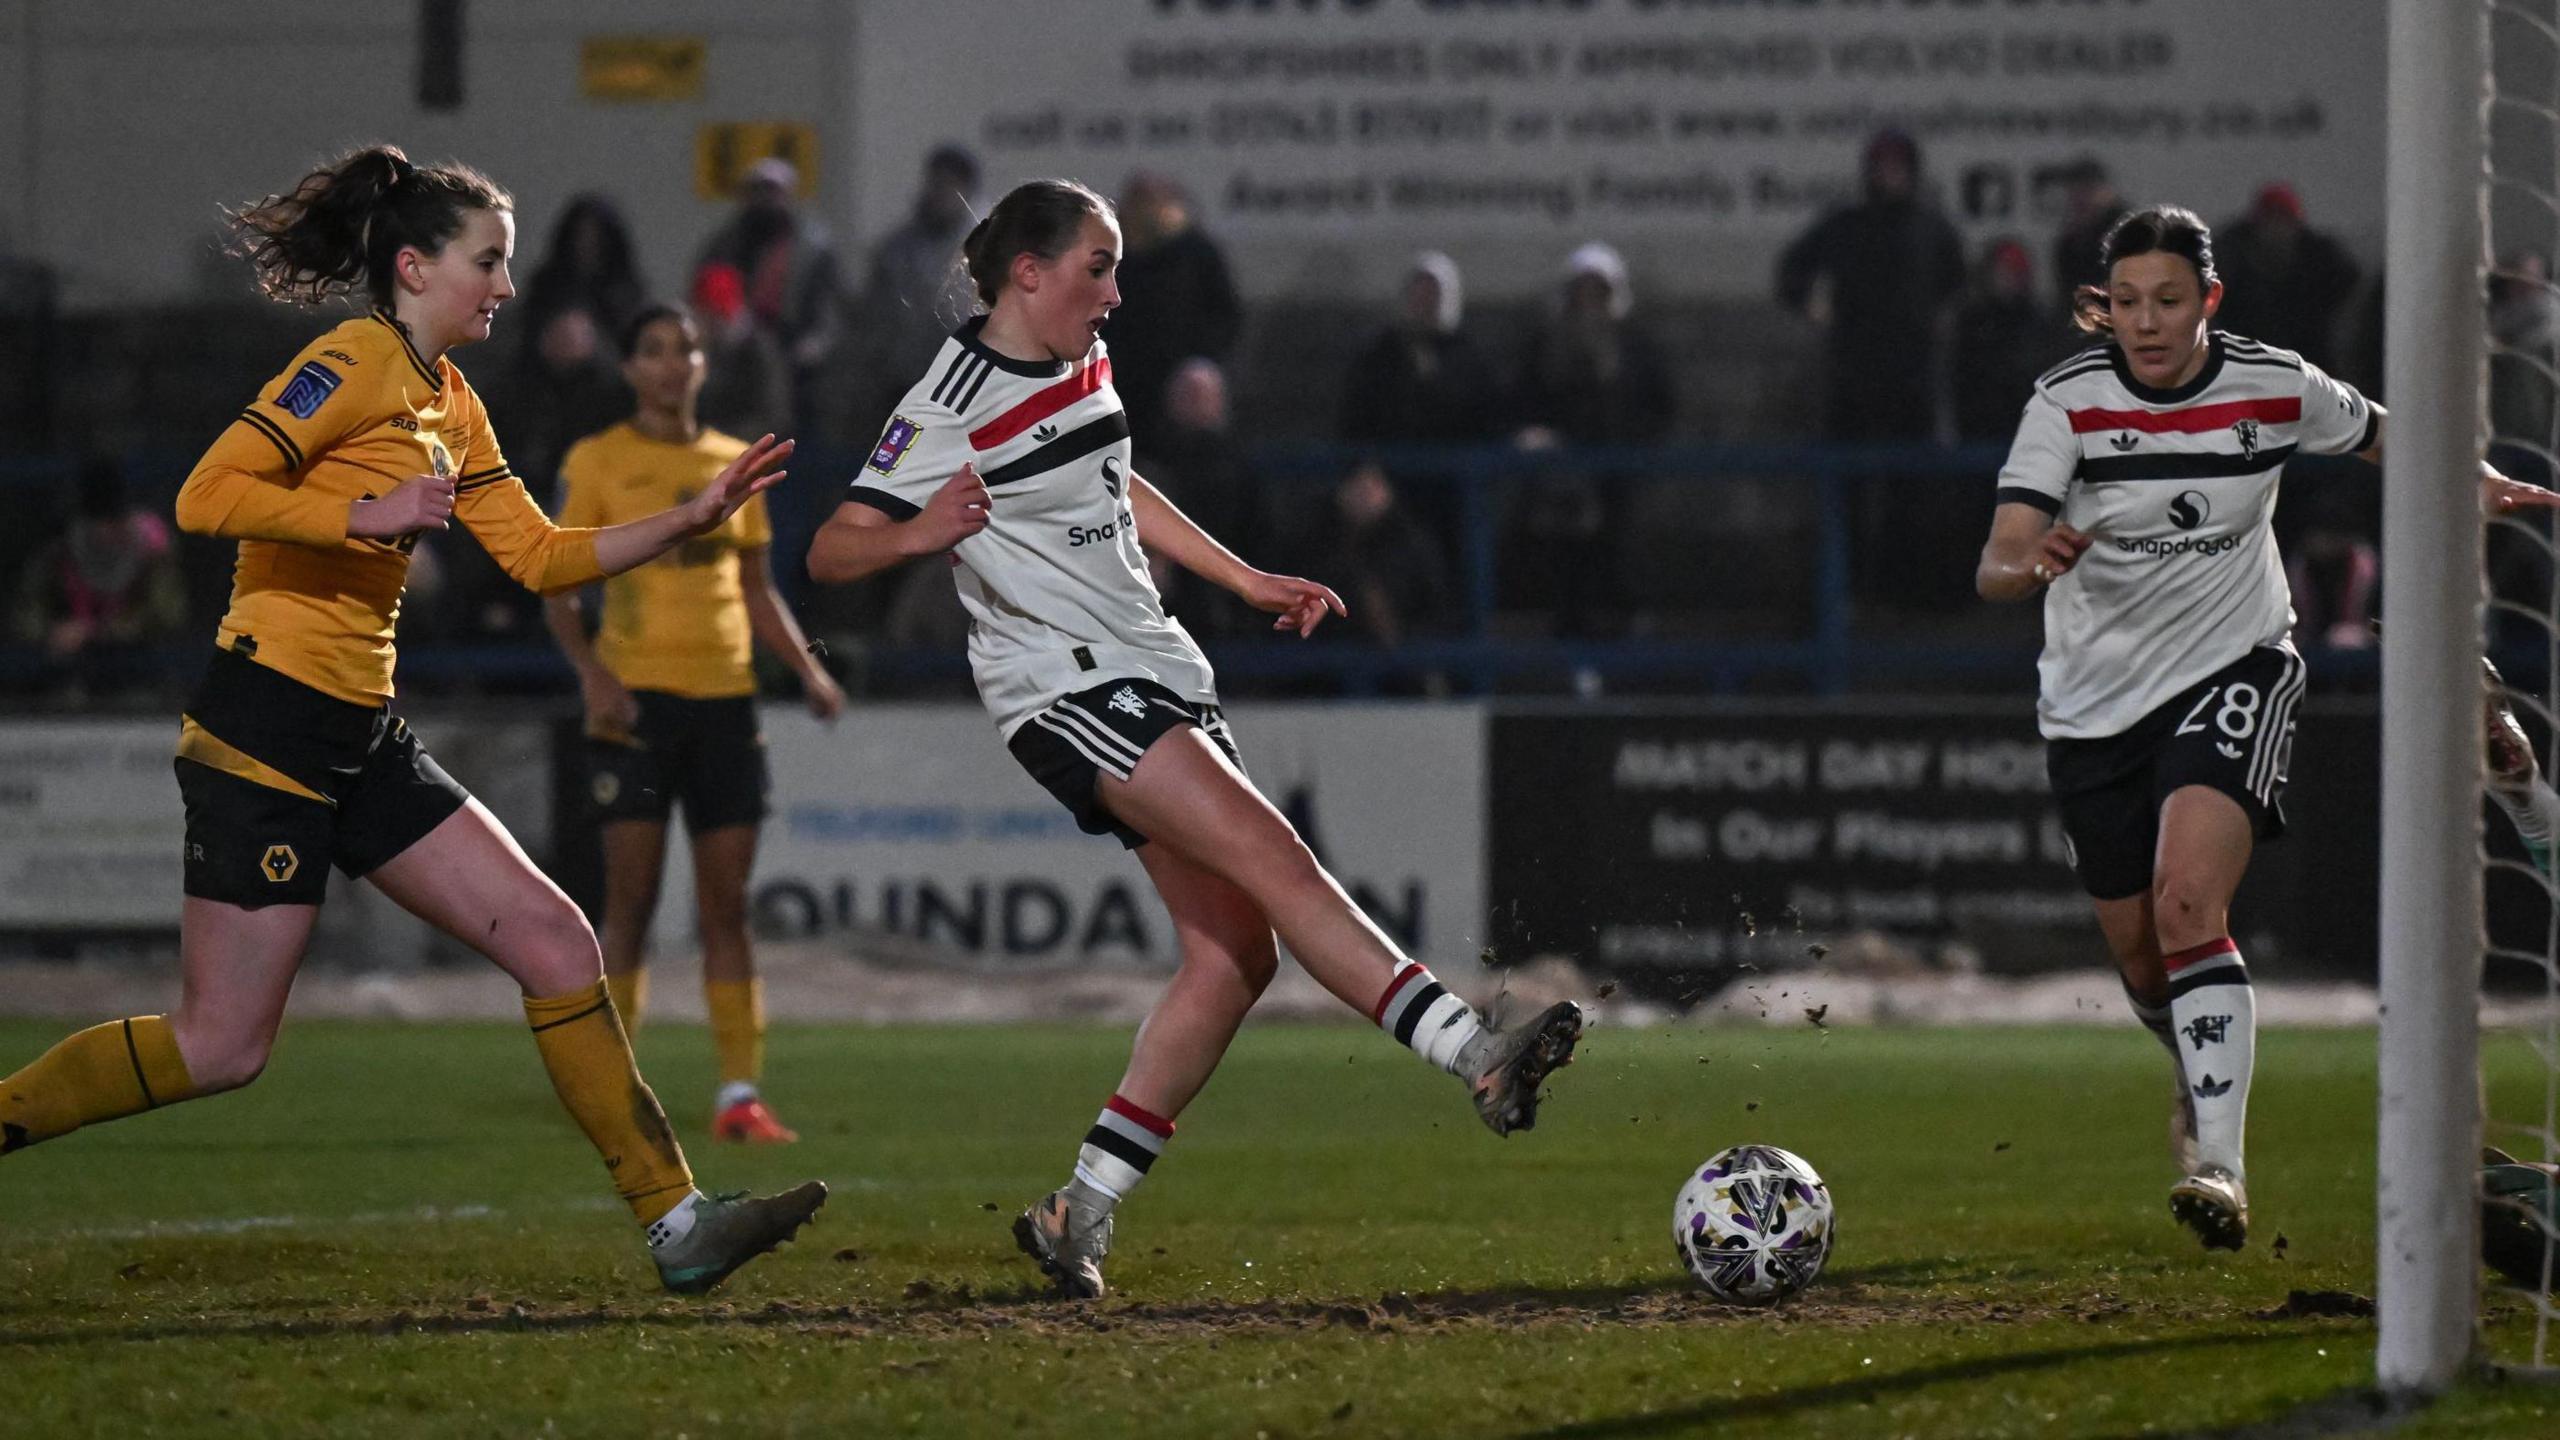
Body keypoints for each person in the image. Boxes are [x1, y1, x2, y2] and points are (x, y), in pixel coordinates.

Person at [0, 145, 825, 1294]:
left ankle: (676, 1221)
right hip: (268, 725)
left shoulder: (453, 402)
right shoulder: (350, 359)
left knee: (555, 942)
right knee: (222, 1048)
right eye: (488, 261)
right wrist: (365, 510)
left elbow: (539, 556)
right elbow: (203, 495)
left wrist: (688, 519)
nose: (506, 285)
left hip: (362, 732)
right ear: (414, 265)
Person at [806, 178, 1583, 1299]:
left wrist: (1243, 576)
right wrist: (922, 528)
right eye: (1097, 266)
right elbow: (832, 550)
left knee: (1232, 957)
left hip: (1154, 664)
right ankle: (1472, 1052)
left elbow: (1115, 485)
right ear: (1028, 271)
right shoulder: (951, 398)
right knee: (1277, 857)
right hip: (1063, 686)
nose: (1115, 292)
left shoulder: (1079, 358)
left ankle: (1080, 1209)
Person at [1975, 204, 2560, 1252]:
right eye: (2125, 304)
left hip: (2236, 666)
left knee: (2188, 900)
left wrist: (2471, 482)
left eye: (2166, 301)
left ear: (2208, 301)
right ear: (2102, 309)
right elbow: (1997, 556)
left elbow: (2388, 436)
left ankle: (2222, 1168)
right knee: (2144, 964)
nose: (2145, 323)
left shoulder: (2271, 381)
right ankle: (2188, 1070)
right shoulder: (2064, 404)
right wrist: (2031, 563)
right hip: (2091, 709)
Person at [543, 303, 846, 1145]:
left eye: (686, 351)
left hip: (724, 703)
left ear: (705, 366)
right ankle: (610, 1090)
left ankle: (739, 1097)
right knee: (630, 902)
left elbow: (755, 590)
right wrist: (593, 674)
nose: (672, 366)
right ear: (631, 368)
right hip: (638, 704)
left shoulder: (730, 463)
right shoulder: (599, 460)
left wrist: (808, 671)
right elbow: (558, 578)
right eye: (653, 352)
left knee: (728, 908)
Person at [1775, 127, 1967, 442]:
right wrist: (1811, 305)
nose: (1891, 175)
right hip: (1853, 374)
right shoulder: (1847, 225)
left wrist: (1945, 316)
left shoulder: (1932, 230)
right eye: (1883, 166)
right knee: (1850, 471)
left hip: (1912, 377)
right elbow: (1792, 269)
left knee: (1909, 475)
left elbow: (1958, 284)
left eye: (1898, 166)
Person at [13, 458, 187, 699]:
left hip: (138, 669)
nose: (113, 530)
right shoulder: (58, 552)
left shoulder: (153, 551)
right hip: (68, 672)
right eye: (104, 522)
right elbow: (26, 614)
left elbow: (167, 615)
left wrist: (97, 631)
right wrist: (52, 633)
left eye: (118, 519)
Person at [694, 157, 843, 433]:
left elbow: (829, 307)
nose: (766, 200)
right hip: (737, 352)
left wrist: (816, 344)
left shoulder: (813, 248)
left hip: (794, 355)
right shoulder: (725, 245)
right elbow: (706, 295)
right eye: (758, 191)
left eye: (773, 192)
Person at [1106, 171, 1242, 446]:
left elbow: (1224, 315)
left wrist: (1201, 358)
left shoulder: (1196, 252)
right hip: (1124, 371)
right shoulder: (1112, 256)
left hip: (1184, 370)